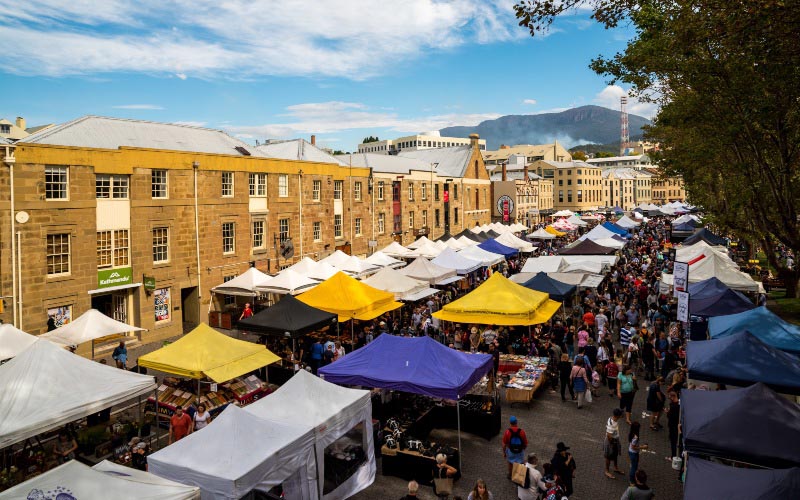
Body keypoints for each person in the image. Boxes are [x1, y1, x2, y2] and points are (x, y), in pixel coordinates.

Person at [604, 408, 625, 479]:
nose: (622, 415)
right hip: (611, 442)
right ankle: (607, 471)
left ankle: (615, 468)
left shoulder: (613, 419)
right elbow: (609, 436)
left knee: (615, 454)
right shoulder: (611, 424)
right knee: (608, 457)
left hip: (615, 440)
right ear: (618, 416)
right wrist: (612, 444)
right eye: (621, 414)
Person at [666, 391, 681, 459]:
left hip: (673, 426)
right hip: (677, 425)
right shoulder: (679, 404)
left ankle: (673, 456)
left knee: (673, 442)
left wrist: (668, 412)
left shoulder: (673, 406)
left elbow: (670, 416)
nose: (670, 399)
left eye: (670, 397)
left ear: (673, 396)